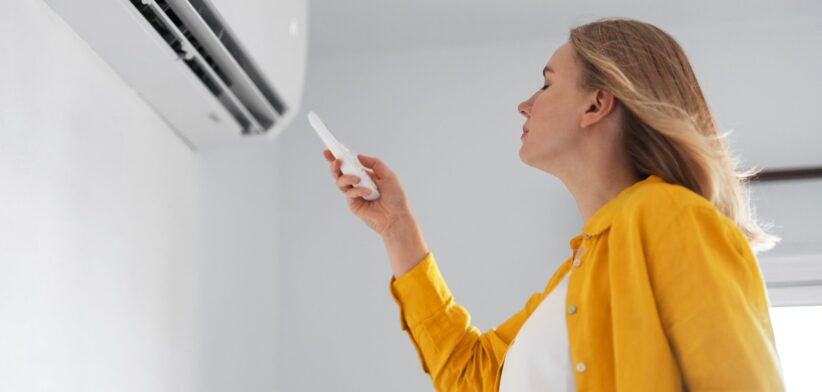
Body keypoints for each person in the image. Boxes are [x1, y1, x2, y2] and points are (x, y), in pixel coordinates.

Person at [322, 17, 785, 392]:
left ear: (597, 104)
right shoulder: (576, 277)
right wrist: (396, 227)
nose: (524, 105)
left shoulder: (673, 217)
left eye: (545, 85)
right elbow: (472, 376)